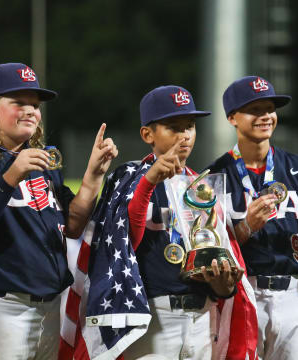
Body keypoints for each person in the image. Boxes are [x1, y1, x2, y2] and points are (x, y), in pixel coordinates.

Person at [0, 63, 117, 359]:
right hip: (1, 309)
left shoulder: (41, 162)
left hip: (49, 308)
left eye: (35, 105)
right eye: (18, 102)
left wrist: (94, 176)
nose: (30, 111)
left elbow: (73, 226)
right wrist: (10, 176)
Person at [206, 76, 298, 359]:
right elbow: (210, 252)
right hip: (242, 292)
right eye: (254, 110)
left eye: (270, 109)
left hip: (292, 294)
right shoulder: (214, 177)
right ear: (232, 118)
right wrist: (246, 227)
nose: (265, 116)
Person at [108, 85, 243, 359]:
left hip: (203, 317)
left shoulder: (203, 187)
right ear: (148, 134)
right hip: (155, 318)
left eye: (190, 126)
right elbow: (124, 242)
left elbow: (219, 260)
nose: (185, 135)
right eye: (174, 127)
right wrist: (148, 183)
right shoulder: (130, 176)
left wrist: (223, 283)